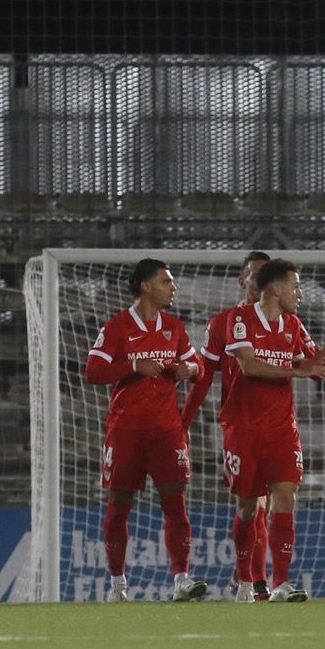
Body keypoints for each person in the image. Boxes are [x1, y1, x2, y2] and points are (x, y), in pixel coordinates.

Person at [205, 257, 325, 602]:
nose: (299, 293)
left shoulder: (293, 325)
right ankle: (245, 579)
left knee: (286, 497)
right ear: (275, 288)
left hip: (282, 429)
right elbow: (247, 365)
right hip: (244, 429)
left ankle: (282, 583)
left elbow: (314, 358)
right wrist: (299, 371)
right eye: (295, 286)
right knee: (248, 507)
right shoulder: (239, 319)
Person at [83, 258, 207, 602]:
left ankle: (182, 579)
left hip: (167, 429)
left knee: (176, 503)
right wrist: (133, 365)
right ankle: (118, 587)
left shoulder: (174, 327)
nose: (173, 287)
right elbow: (93, 371)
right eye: (166, 282)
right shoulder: (117, 327)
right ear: (146, 286)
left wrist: (190, 370)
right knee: (119, 505)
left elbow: (196, 365)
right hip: (126, 430)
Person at [181, 250, 274, 601]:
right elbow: (204, 378)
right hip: (239, 424)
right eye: (255, 274)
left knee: (266, 503)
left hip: (275, 426)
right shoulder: (223, 323)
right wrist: (184, 422)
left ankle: (254, 578)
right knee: (251, 505)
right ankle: (247, 575)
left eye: (267, 275)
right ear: (242, 281)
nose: (260, 280)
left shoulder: (285, 323)